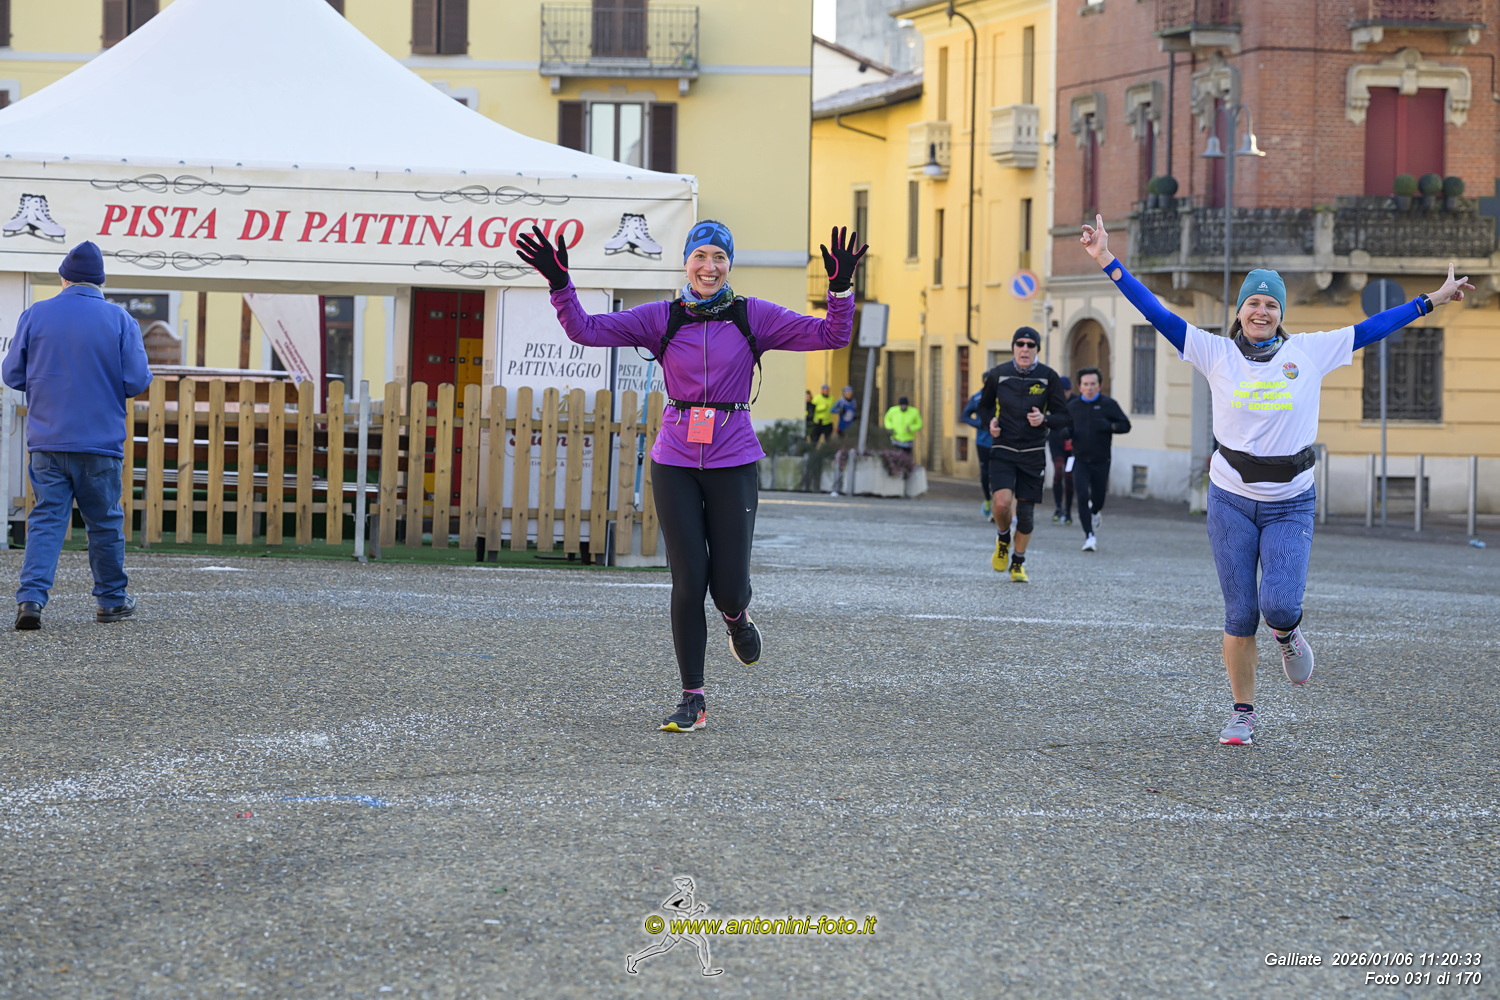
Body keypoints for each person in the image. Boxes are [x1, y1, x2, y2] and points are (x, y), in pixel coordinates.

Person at [1080, 213, 1472, 746]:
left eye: (1270, 304)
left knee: (1279, 606)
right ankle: (1242, 713)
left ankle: (1287, 635)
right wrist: (1107, 259)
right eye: (1253, 303)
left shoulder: (1307, 353)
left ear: (1280, 314)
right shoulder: (1214, 352)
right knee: (1240, 614)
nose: (1261, 311)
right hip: (1230, 499)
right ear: (1239, 312)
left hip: (1290, 501)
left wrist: (1432, 300)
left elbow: (1371, 328)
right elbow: (1156, 312)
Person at [517, 221, 866, 732]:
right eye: (700, 255)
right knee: (688, 580)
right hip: (675, 460)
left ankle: (737, 618)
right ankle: (692, 699)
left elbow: (832, 335)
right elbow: (585, 330)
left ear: (729, 264)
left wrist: (840, 290)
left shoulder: (753, 316)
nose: (709, 266)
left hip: (733, 459)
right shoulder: (661, 318)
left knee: (728, 588)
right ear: (686, 262)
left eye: (719, 257)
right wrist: (559, 284)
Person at [3, 241, 152, 630]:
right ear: (100, 282)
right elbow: (137, 380)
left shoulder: (36, 314)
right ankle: (111, 601)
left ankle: (31, 600)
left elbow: (12, 374)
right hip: (100, 441)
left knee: (47, 520)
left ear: (64, 278)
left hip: (48, 439)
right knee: (104, 522)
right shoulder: (120, 320)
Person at [977, 328, 1069, 582]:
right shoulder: (999, 374)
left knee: (1026, 516)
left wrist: (1044, 419)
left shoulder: (1048, 377)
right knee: (1001, 504)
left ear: (1037, 349)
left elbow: (1063, 417)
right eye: (1020, 344)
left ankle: (1017, 563)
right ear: (1013, 347)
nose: (1025, 349)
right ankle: (1003, 537)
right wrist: (990, 422)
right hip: (1004, 449)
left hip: (1032, 452)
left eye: (1030, 345)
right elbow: (983, 407)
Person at [1066, 367, 1131, 552]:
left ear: (1099, 386)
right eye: (1085, 384)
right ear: (1079, 386)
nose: (1089, 388)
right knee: (1082, 496)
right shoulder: (1072, 407)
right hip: (1080, 459)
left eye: (1093, 384)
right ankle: (1089, 536)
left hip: (1101, 460)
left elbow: (1126, 425)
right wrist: (1065, 432)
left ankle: (1095, 511)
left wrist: (1110, 426)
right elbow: (1062, 426)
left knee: (1098, 498)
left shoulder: (1108, 404)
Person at [960, 388, 994, 518]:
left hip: (1001, 442)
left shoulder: (1004, 394)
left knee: (999, 474)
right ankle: (988, 499)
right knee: (985, 473)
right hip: (983, 442)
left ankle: (998, 505)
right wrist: (979, 424)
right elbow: (965, 416)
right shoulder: (977, 398)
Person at [1048, 375, 1074, 523]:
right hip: (1056, 444)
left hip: (1071, 446)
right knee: (1058, 472)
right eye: (1061, 391)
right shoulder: (1052, 402)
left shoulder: (1076, 402)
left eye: (1066, 391)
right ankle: (1058, 507)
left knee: (1069, 475)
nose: (1064, 394)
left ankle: (1068, 510)